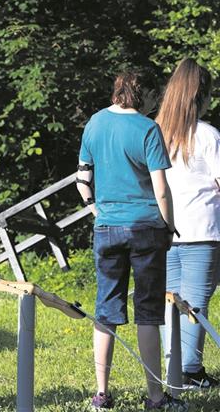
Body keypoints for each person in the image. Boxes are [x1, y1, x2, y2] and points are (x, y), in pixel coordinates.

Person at [76, 70, 187, 411]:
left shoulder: (94, 124)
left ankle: (101, 394)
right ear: (145, 96)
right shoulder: (147, 129)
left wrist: (95, 210)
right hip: (146, 228)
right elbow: (162, 189)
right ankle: (155, 398)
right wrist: (169, 226)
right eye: (155, 97)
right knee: (149, 314)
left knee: (105, 311)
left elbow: (82, 178)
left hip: (107, 227)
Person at [156, 58, 220, 389]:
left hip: (164, 231)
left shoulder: (156, 135)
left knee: (171, 301)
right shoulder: (208, 136)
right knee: (195, 304)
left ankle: (173, 368)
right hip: (202, 231)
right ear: (201, 96)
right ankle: (191, 371)